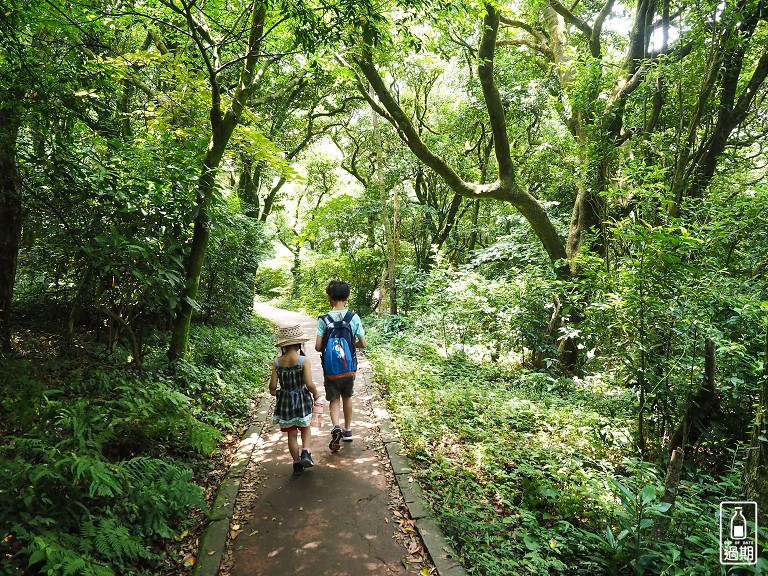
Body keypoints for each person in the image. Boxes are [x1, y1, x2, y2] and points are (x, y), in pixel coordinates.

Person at [315, 280, 367, 451]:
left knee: (334, 398)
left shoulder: (324, 319)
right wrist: (352, 344)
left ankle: (336, 425)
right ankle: (348, 429)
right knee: (347, 397)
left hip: (331, 369)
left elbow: (317, 346)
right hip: (348, 368)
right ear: (348, 297)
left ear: (329, 297)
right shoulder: (354, 317)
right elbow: (363, 343)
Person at [269, 323, 320, 476]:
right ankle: (306, 452)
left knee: (291, 434)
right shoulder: (303, 361)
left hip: (285, 401)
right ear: (299, 343)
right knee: (305, 427)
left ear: (283, 345)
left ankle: (297, 464)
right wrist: (316, 394)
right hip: (302, 399)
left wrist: (274, 392)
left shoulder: (277, 362)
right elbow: (309, 383)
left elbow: (272, 385)